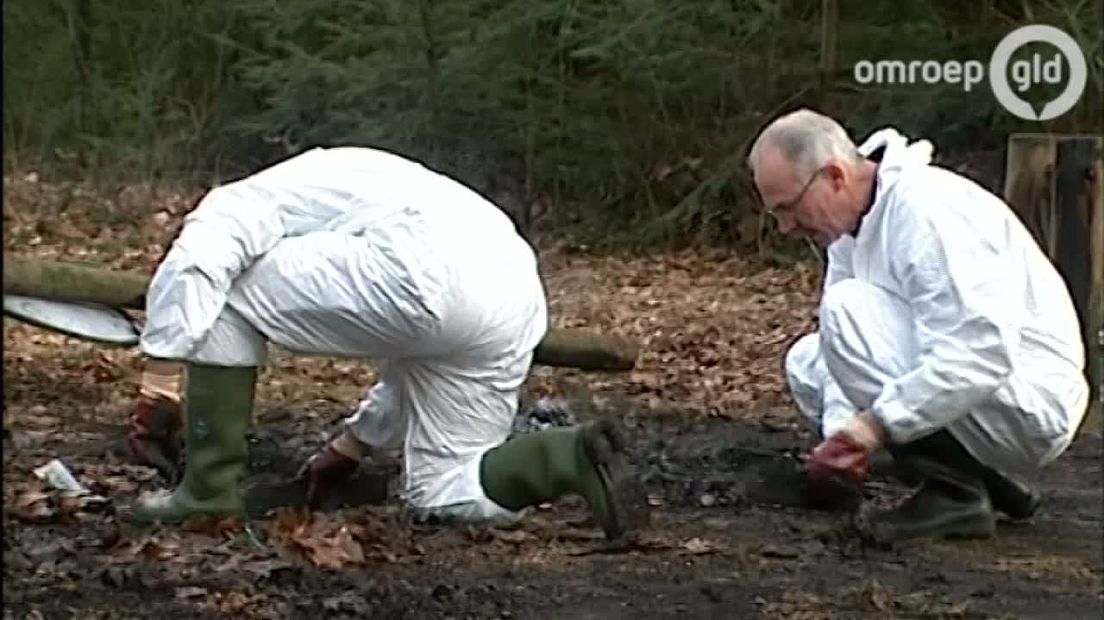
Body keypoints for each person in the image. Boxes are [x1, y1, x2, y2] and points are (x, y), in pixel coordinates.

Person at [127, 146, 648, 541]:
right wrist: (351, 447)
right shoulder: (378, 181)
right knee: (445, 490)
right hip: (513, 294)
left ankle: (206, 492)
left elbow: (197, 261)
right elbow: (415, 359)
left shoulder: (243, 199)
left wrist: (160, 382)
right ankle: (569, 456)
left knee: (221, 290)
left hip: (424, 270)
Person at [746, 109, 1088, 540]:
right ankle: (983, 479)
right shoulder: (848, 229)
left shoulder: (927, 211)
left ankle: (957, 496)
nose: (785, 226)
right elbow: (840, 350)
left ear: (833, 176)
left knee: (846, 309)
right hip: (981, 392)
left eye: (789, 208)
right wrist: (839, 439)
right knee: (807, 360)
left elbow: (979, 352)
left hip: (1030, 402)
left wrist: (872, 426)